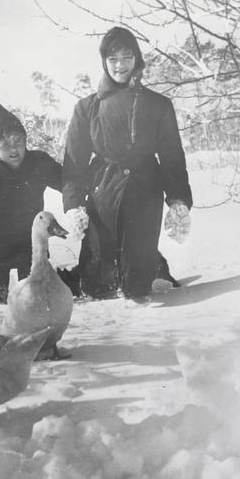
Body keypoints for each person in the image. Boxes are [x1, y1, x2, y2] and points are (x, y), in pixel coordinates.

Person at [62, 27, 192, 301]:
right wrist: (73, 204)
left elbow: (172, 157)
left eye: (126, 57)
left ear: (137, 60)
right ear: (104, 62)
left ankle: (154, 274)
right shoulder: (87, 108)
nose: (120, 66)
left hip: (144, 191)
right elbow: (74, 161)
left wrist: (178, 201)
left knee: (137, 285)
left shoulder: (158, 105)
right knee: (97, 282)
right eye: (113, 59)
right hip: (103, 191)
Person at [0, 100, 62, 307]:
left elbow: (65, 181)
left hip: (29, 243)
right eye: (5, 145)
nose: (14, 150)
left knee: (34, 299)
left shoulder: (38, 163)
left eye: (18, 143)